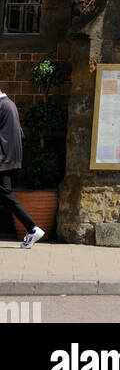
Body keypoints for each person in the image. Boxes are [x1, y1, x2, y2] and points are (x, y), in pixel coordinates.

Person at [0, 87, 45, 249]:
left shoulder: (2, 106)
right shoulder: (10, 105)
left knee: (6, 196)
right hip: (10, 159)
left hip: (3, 160)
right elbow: (21, 135)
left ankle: (32, 228)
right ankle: (32, 228)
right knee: (5, 196)